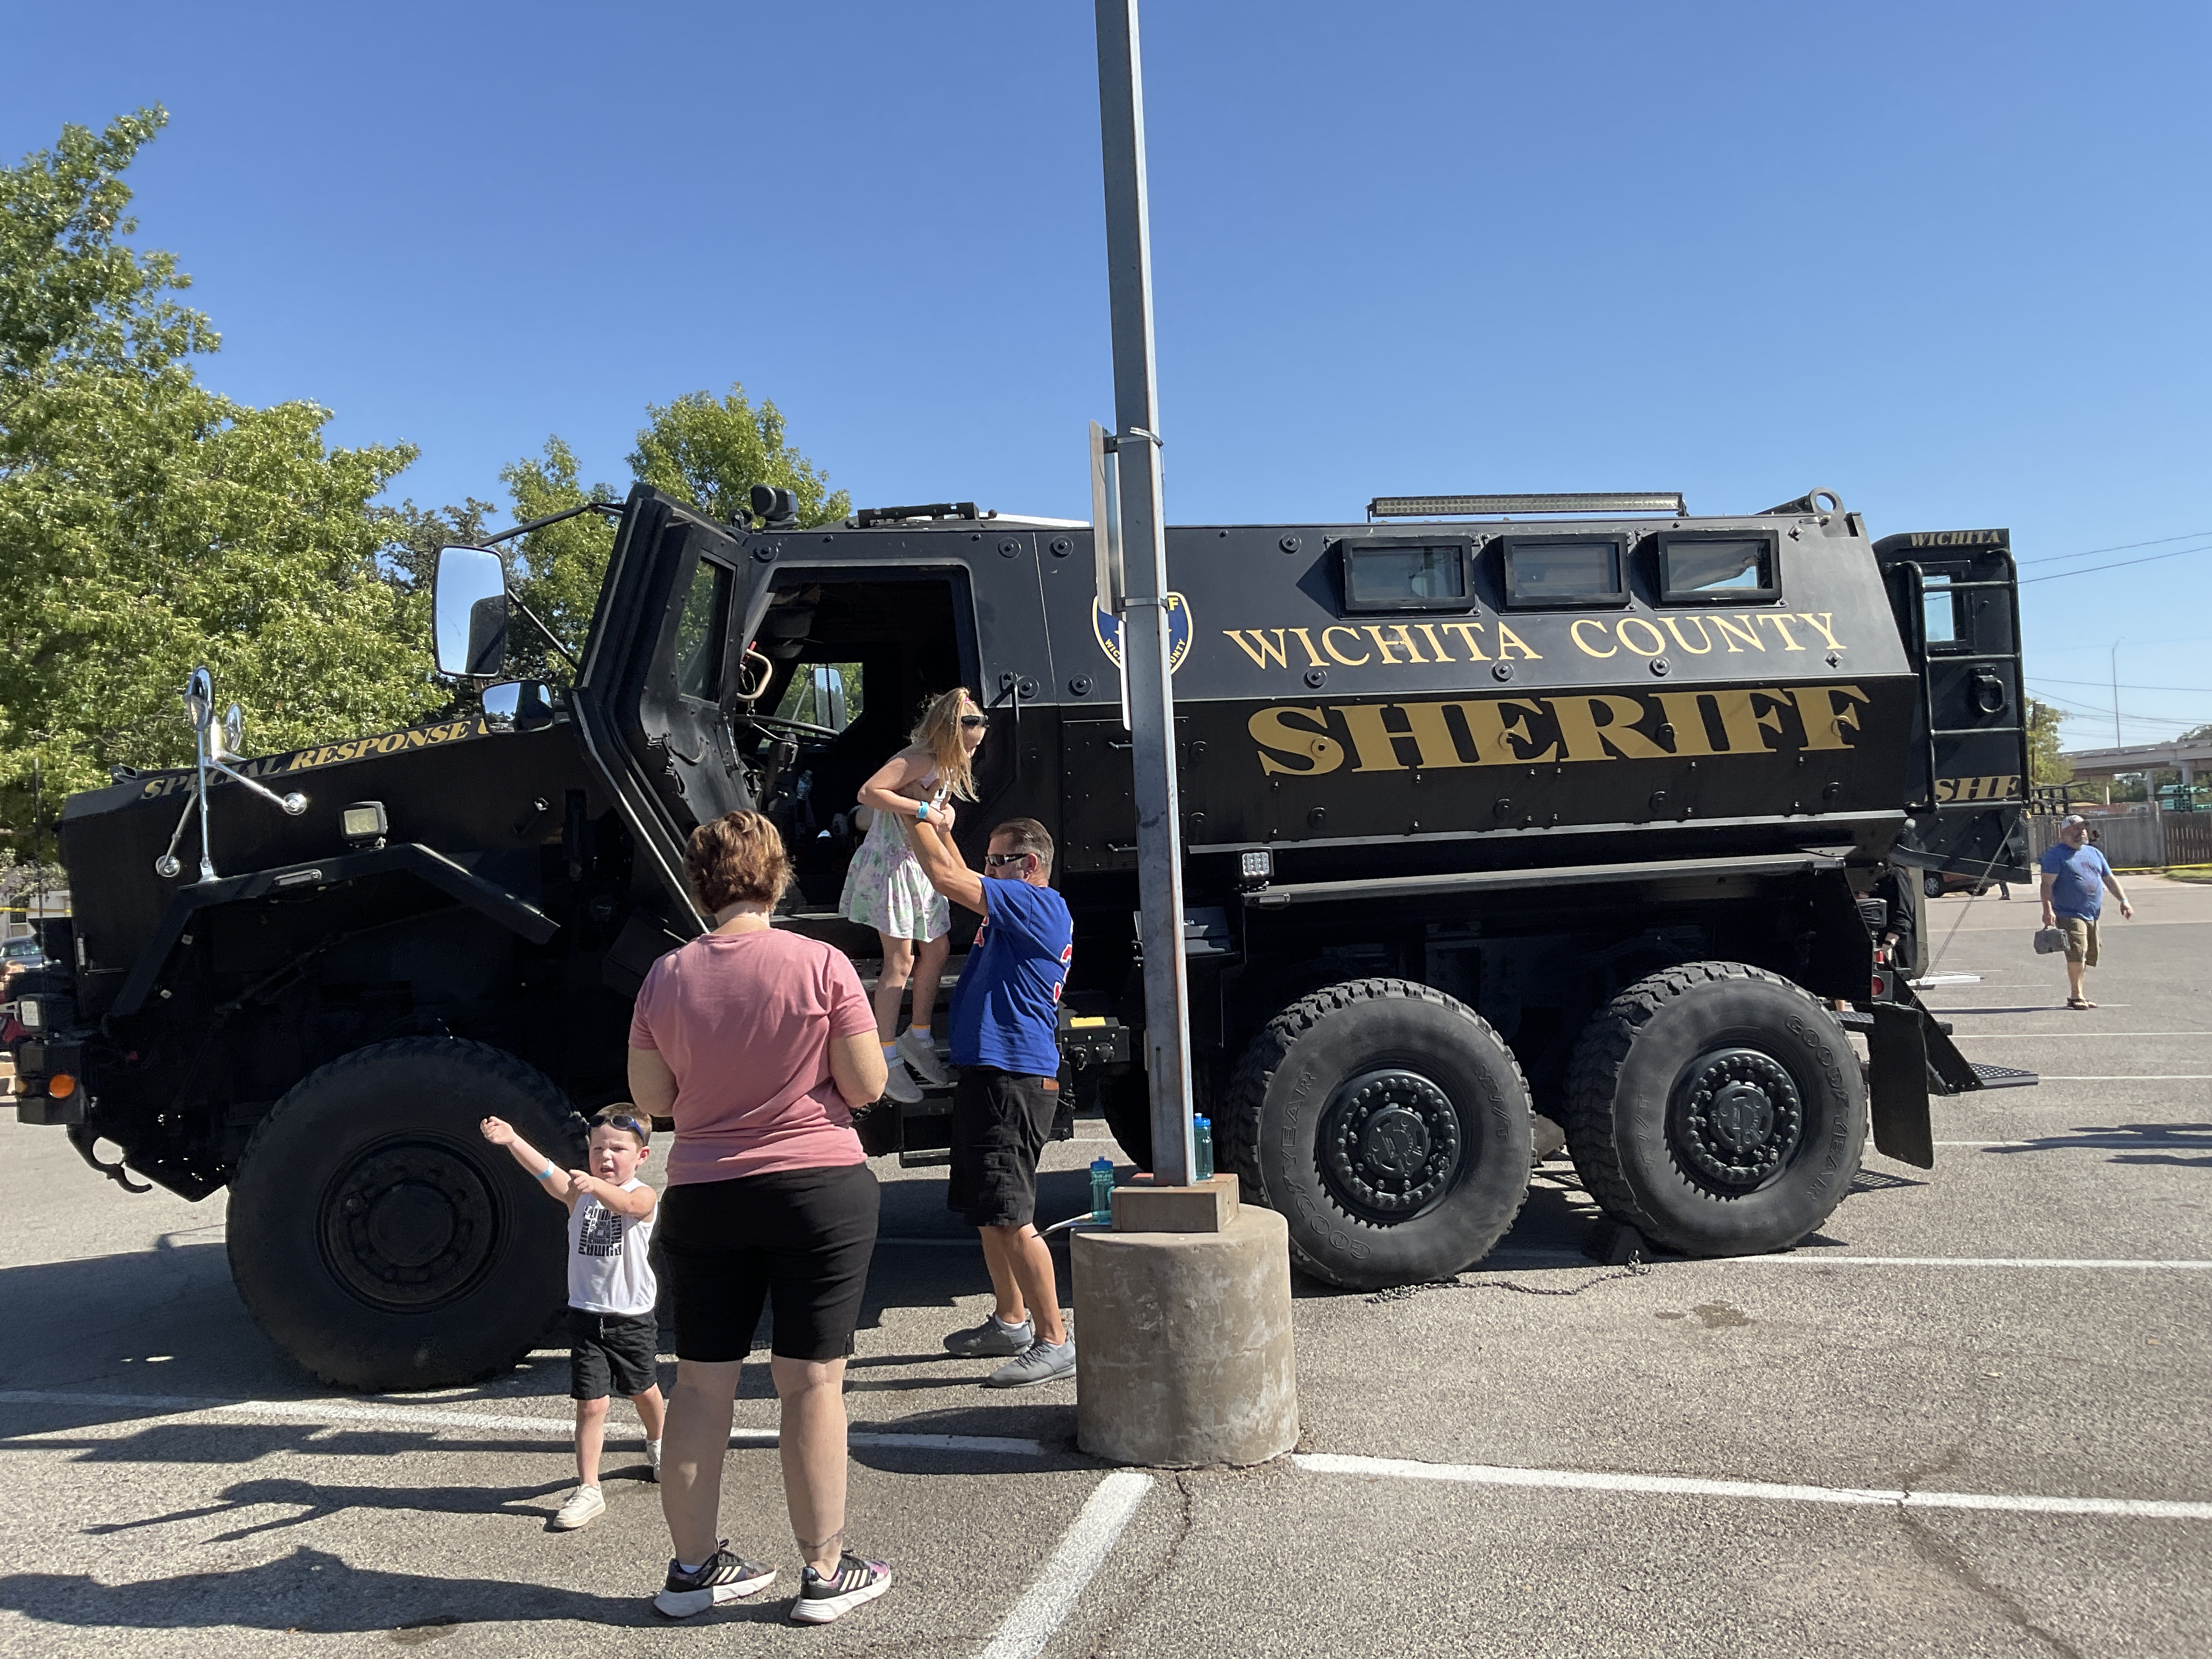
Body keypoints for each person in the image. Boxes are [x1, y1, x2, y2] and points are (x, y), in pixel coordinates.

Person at [628, 809, 894, 1626]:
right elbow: (866, 1087)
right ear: (777, 876)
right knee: (811, 1381)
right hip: (818, 1187)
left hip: (706, 1192)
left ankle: (692, 1570)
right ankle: (823, 1571)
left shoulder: (665, 976)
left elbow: (654, 1103)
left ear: (701, 882)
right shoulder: (821, 964)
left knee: (702, 1386)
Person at [903, 812, 1077, 1389]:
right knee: (988, 1211)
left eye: (997, 862)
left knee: (1010, 1214)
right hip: (991, 1074)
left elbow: (945, 879)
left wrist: (911, 814)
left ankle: (1055, 1339)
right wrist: (941, 823)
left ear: (1028, 866)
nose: (987, 871)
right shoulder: (1014, 908)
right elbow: (955, 869)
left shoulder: (1039, 905)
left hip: (1015, 1080)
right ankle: (1011, 1320)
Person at [479, 1107, 666, 1532]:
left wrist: (594, 1185)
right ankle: (588, 1488)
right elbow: (545, 1170)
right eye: (598, 1148)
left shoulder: (642, 1195)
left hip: (630, 1319)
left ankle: (659, 1444)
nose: (606, 1156)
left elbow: (627, 1204)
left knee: (644, 1390)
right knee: (590, 1404)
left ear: (641, 1157)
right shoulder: (579, 1194)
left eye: (618, 1149)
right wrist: (512, 1139)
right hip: (586, 1316)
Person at [839, 689, 988, 1105]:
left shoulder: (945, 766)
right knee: (900, 961)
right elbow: (869, 793)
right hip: (893, 865)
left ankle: (917, 1036)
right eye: (968, 746)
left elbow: (941, 833)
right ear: (949, 734)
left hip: (920, 868)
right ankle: (883, 1055)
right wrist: (924, 810)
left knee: (937, 951)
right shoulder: (919, 758)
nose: (971, 756)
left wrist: (965, 875)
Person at [2038, 814, 2132, 1009]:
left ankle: (2080, 993)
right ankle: (2076, 995)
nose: (2080, 833)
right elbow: (2046, 885)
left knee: (2088, 954)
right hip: (2068, 912)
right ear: (2064, 833)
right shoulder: (2055, 855)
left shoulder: (2094, 853)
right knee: (2077, 952)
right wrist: (2048, 910)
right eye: (2075, 829)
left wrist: (2123, 900)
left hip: (2092, 913)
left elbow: (2109, 879)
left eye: (2082, 829)